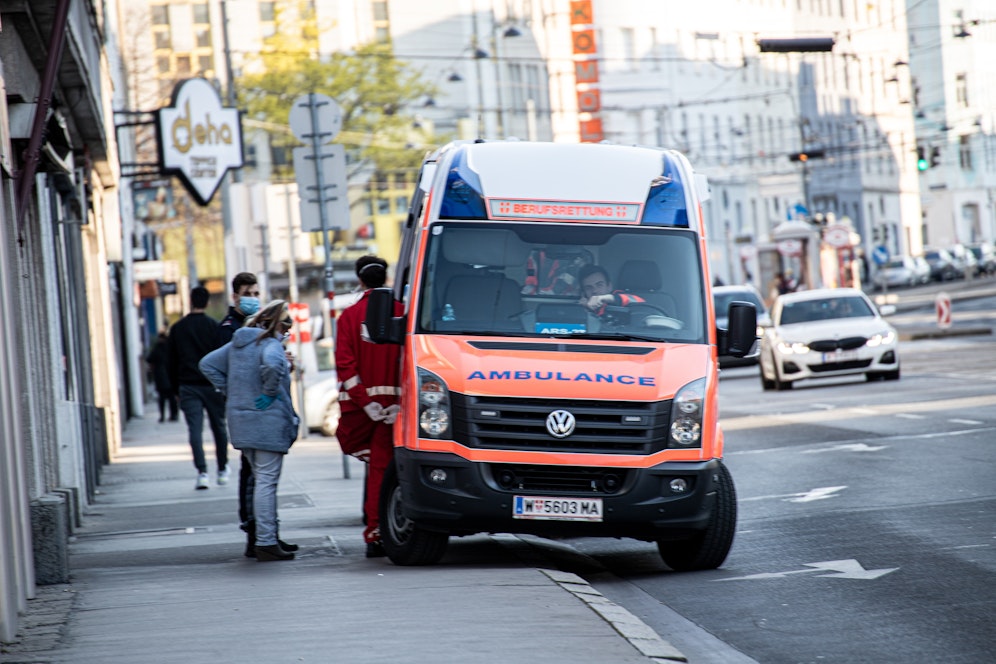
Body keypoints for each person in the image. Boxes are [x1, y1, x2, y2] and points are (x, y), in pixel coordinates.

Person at [200, 301, 299, 562]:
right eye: (286, 324)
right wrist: (268, 392)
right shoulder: (270, 346)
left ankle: (266, 537)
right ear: (277, 323)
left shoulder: (238, 344)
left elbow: (207, 364)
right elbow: (271, 365)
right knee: (267, 482)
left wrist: (231, 391)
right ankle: (266, 542)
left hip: (242, 423)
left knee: (259, 480)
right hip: (266, 423)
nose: (288, 329)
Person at [334, 255, 403, 558]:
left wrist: (366, 403)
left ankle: (375, 533)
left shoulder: (348, 316)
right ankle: (386, 528)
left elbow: (345, 366)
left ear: (360, 280)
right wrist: (401, 402)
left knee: (377, 471)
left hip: (364, 412)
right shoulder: (405, 313)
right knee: (392, 471)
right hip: (400, 410)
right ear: (386, 278)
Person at [216, 272, 262, 552]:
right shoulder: (228, 328)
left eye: (256, 294)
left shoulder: (259, 323)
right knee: (250, 468)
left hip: (261, 407)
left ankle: (264, 528)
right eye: (248, 294)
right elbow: (218, 367)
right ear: (235, 297)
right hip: (244, 407)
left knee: (261, 471)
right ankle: (252, 527)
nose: (253, 299)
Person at [167, 286, 229, 490]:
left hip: (187, 385)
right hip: (212, 386)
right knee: (219, 427)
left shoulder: (178, 328)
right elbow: (221, 358)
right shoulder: (214, 327)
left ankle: (202, 472)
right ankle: (222, 469)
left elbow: (171, 362)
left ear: (190, 301)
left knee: (195, 430)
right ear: (208, 302)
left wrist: (176, 390)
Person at [577, 264, 644, 316]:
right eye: (589, 288)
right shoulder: (583, 308)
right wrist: (582, 309)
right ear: (584, 293)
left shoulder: (618, 297)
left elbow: (639, 301)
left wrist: (609, 298)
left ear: (609, 286)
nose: (595, 291)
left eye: (599, 285)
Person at [146, 327, 178, 423]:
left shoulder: (157, 347)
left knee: (162, 398)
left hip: (160, 376)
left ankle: (162, 416)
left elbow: (149, 359)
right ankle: (174, 415)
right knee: (172, 398)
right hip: (171, 376)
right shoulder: (171, 347)